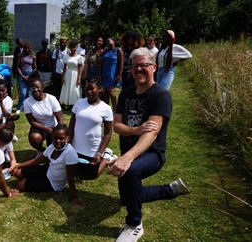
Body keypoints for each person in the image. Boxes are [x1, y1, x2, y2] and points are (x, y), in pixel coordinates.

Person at [108, 47, 190, 242]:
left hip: (153, 153)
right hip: (130, 151)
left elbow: (152, 133)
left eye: (144, 65)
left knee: (130, 172)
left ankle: (134, 225)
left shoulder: (161, 95)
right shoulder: (126, 94)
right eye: (135, 66)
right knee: (128, 197)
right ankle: (168, 190)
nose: (139, 70)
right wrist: (136, 130)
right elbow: (117, 126)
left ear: (154, 67)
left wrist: (127, 158)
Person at [10, 124, 85, 207]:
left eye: (61, 138)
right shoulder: (52, 147)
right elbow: (37, 161)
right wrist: (18, 166)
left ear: (67, 138)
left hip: (53, 183)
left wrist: (73, 197)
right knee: (18, 172)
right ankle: (33, 179)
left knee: (20, 185)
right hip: (48, 170)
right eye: (55, 138)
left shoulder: (70, 154)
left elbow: (70, 177)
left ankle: (32, 181)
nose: (57, 141)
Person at [69, 79, 114, 179]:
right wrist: (69, 144)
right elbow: (71, 126)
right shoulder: (79, 103)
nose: (88, 92)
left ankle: (106, 157)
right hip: (76, 148)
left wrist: (99, 153)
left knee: (92, 175)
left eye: (91, 89)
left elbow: (107, 134)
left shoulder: (106, 108)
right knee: (73, 172)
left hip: (93, 150)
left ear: (99, 89)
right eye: (86, 89)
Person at [24, 79, 63, 156]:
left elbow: (60, 119)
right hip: (39, 127)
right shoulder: (27, 102)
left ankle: (51, 148)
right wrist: (45, 129)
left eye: (37, 87)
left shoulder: (51, 99)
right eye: (32, 88)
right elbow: (32, 122)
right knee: (35, 138)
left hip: (53, 127)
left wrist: (58, 132)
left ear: (43, 88)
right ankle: (41, 150)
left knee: (54, 152)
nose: (35, 90)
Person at [100, 37, 123, 109]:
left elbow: (121, 63)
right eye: (106, 42)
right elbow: (101, 63)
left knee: (112, 92)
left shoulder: (118, 50)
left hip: (113, 74)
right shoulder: (105, 51)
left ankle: (115, 109)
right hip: (105, 73)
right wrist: (100, 74)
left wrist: (119, 74)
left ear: (114, 42)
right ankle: (107, 109)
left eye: (109, 42)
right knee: (105, 92)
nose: (108, 43)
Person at [60, 39, 84, 109]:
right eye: (72, 47)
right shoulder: (66, 56)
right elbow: (64, 68)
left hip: (75, 74)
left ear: (77, 47)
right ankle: (66, 103)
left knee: (74, 89)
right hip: (68, 74)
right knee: (67, 88)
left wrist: (79, 78)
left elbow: (80, 69)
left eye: (75, 47)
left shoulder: (79, 57)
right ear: (69, 48)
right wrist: (62, 77)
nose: (73, 49)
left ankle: (74, 104)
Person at [16, 42, 36, 114]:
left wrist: (30, 76)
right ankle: (19, 107)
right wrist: (22, 76)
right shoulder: (20, 56)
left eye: (28, 48)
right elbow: (17, 67)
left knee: (29, 93)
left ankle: (28, 107)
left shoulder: (33, 56)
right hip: (22, 75)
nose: (27, 49)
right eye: (26, 48)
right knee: (23, 93)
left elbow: (35, 68)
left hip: (30, 75)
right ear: (24, 48)